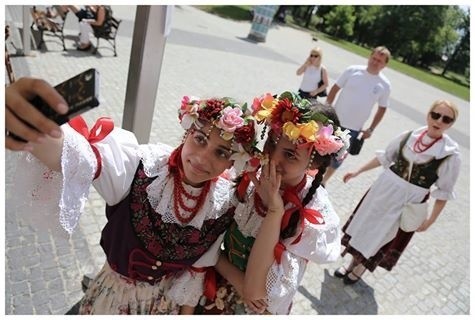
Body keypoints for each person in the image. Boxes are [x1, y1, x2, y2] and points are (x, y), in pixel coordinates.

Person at [5, 77, 261, 314]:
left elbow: (195, 272)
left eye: (222, 153)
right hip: (113, 298)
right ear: (187, 133)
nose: (203, 158)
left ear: (232, 163)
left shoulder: (223, 202)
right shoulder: (141, 167)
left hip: (165, 305)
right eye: (201, 139)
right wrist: (27, 121)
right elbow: (78, 157)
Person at [195, 92, 351, 314]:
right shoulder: (247, 179)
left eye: (290, 155)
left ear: (313, 161)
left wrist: (275, 210)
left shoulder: (310, 214)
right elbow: (206, 240)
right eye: (271, 144)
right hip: (215, 288)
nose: (273, 159)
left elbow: (254, 293)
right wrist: (230, 272)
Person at [333, 99, 461, 285]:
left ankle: (359, 270)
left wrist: (430, 221)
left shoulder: (450, 155)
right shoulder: (409, 136)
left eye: (446, 119)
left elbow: (444, 192)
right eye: (436, 115)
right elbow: (385, 158)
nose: (439, 121)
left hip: (410, 200)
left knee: (384, 235)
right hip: (384, 190)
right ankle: (352, 263)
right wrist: (357, 171)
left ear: (451, 124)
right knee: (367, 226)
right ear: (428, 115)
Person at [322, 45, 392, 186]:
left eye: (379, 61)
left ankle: (323, 182)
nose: (375, 62)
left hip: (353, 129)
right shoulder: (352, 70)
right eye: (374, 58)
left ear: (385, 65)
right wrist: (326, 108)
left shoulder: (384, 84)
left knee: (337, 159)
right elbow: (335, 89)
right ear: (369, 56)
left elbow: (382, 108)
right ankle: (307, 175)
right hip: (334, 120)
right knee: (320, 149)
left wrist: (371, 129)